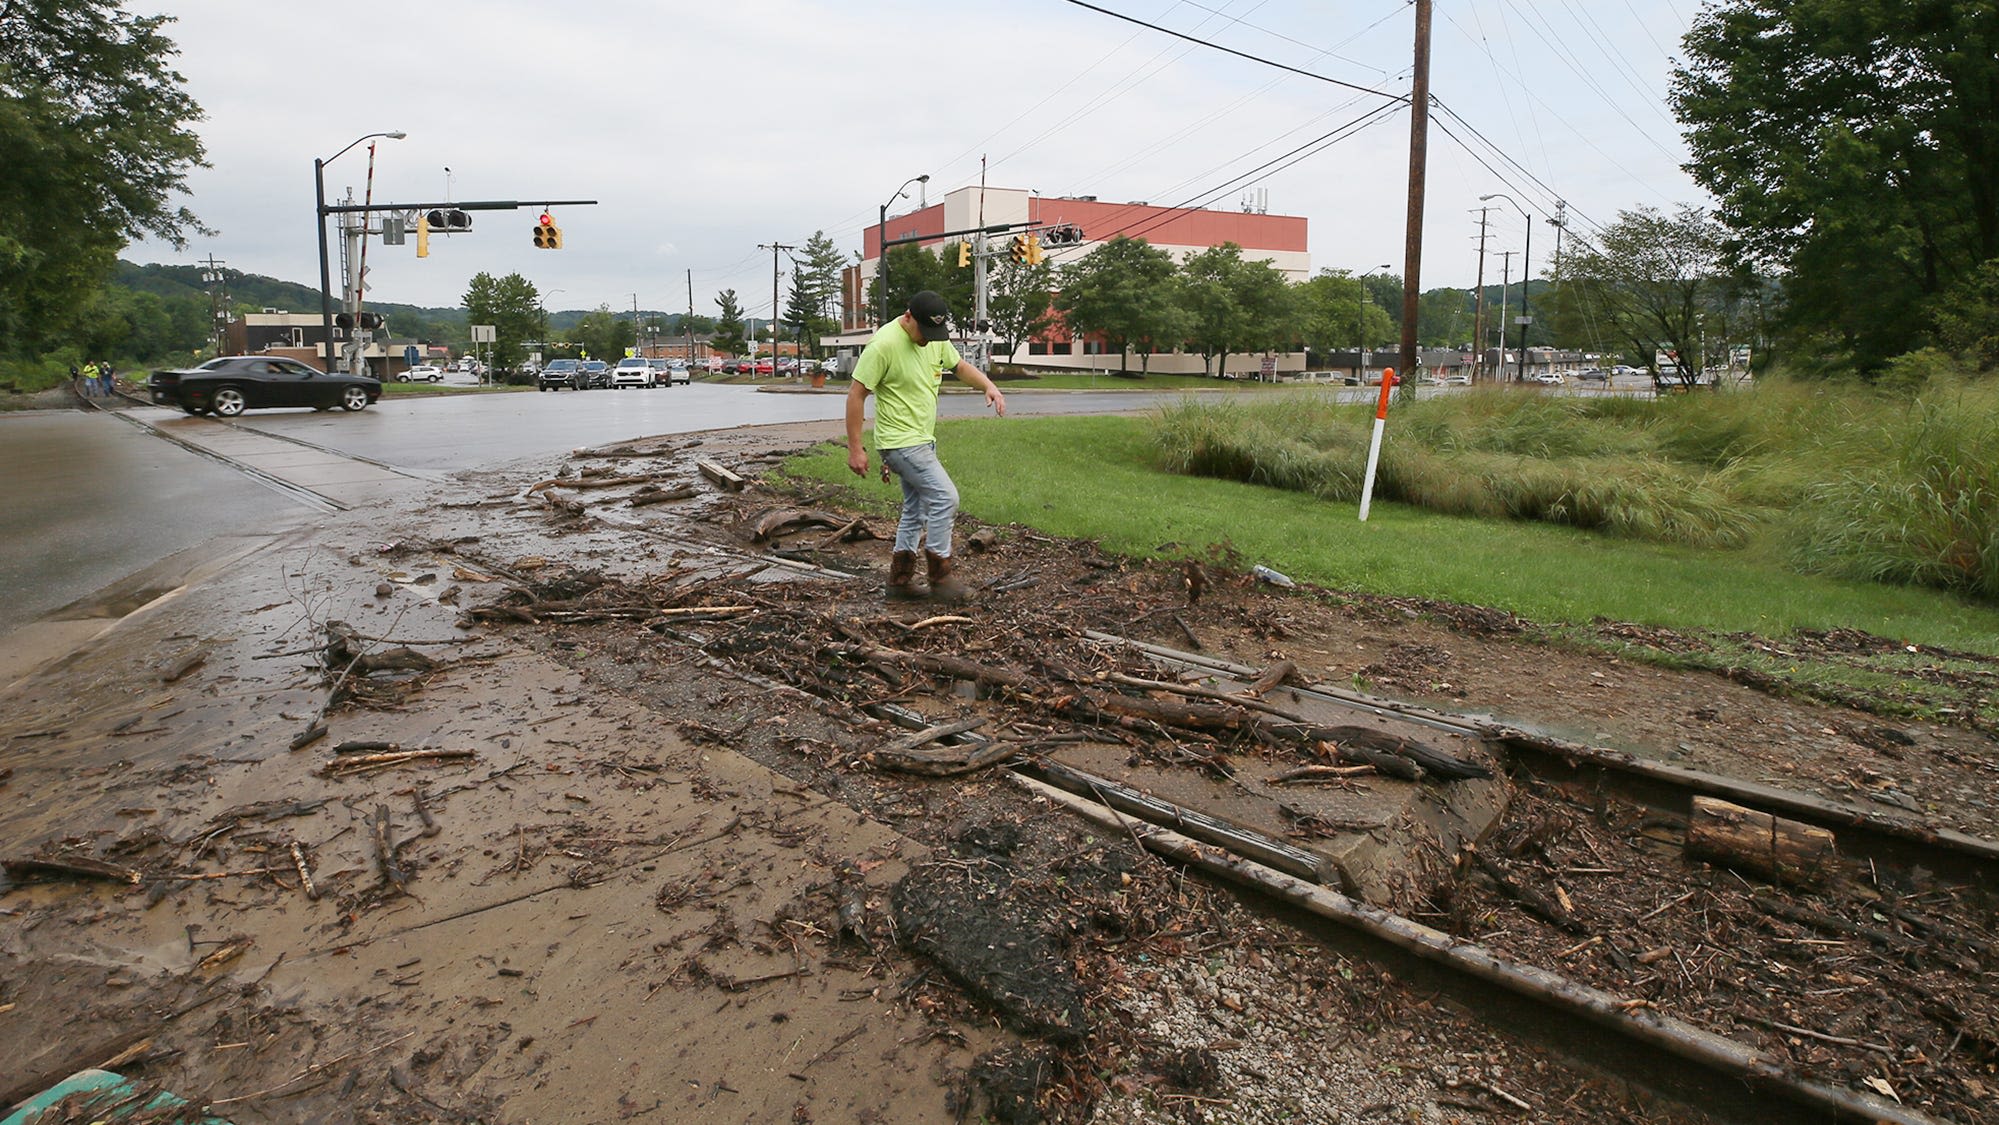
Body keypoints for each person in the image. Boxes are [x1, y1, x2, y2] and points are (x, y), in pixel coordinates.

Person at [845, 290, 1006, 603]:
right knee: (946, 497)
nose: (928, 340)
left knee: (915, 510)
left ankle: (899, 581)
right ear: (908, 318)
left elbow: (958, 366)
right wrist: (856, 448)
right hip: (899, 443)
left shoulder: (933, 338)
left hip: (922, 440)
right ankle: (940, 576)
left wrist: (988, 385)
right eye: (924, 332)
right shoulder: (883, 345)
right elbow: (856, 395)